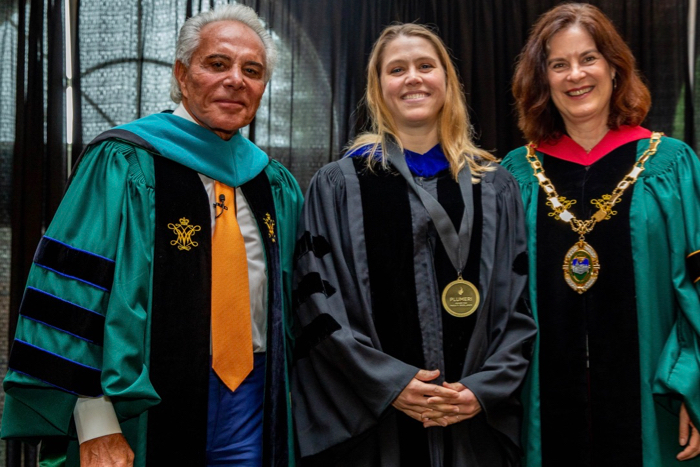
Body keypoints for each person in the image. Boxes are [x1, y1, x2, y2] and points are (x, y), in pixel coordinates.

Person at [1, 4, 302, 466]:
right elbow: (74, 296)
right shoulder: (122, 163)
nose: (236, 80)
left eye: (252, 70)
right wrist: (96, 422)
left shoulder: (274, 184)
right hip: (140, 406)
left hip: (254, 400)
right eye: (217, 64)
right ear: (183, 75)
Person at [291, 23, 537, 466]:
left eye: (426, 65)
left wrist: (482, 390)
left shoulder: (496, 186)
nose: (413, 78)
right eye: (397, 69)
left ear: (447, 80)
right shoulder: (339, 185)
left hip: (472, 424)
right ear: (378, 87)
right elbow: (318, 306)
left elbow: (517, 302)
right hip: (374, 422)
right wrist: (391, 384)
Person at [502, 3, 700, 466]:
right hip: (541, 401)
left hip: (655, 399)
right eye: (558, 64)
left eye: (588, 58)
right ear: (543, 79)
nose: (576, 75)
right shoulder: (515, 175)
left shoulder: (671, 165)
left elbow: (695, 287)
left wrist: (693, 383)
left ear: (614, 67)